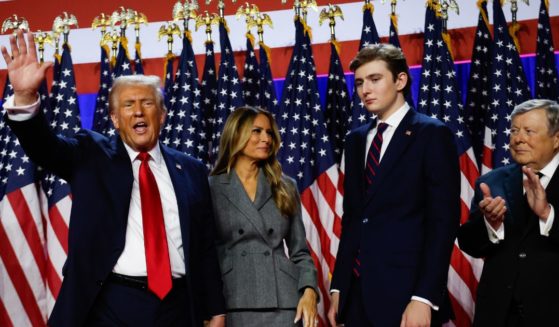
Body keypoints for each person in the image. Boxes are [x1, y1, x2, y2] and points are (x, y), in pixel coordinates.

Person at [1, 30, 225, 327]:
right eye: (128, 105)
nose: (138, 112)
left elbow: (205, 246)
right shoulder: (91, 154)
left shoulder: (192, 170)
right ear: (116, 119)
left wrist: (216, 308)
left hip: (178, 306)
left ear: (162, 115)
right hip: (110, 303)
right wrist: (27, 98)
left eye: (147, 103)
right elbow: (45, 148)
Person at [327, 43, 460, 327]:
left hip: (407, 295)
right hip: (357, 297)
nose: (365, 90)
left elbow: (443, 223)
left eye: (375, 79)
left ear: (400, 80)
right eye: (360, 82)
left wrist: (424, 297)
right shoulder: (355, 140)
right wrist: (339, 287)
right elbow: (353, 220)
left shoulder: (432, 134)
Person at [208, 106, 319, 327]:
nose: (265, 138)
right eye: (257, 131)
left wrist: (309, 291)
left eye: (269, 133)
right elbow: (205, 256)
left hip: (284, 301)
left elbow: (300, 252)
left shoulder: (286, 186)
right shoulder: (211, 187)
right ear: (236, 134)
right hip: (234, 299)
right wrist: (209, 309)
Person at [458, 99, 559, 326]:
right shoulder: (492, 181)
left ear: (556, 139)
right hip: (499, 315)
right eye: (514, 130)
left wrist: (547, 215)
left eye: (529, 131)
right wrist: (491, 224)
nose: (518, 138)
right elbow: (469, 244)